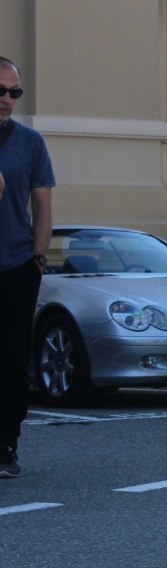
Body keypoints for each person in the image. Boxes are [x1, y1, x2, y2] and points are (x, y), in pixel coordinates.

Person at [0, 56, 55, 478]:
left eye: (14, 92)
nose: (7, 99)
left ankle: (6, 444)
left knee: (13, 359)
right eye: (1, 91)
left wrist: (38, 258)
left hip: (16, 264)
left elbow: (42, 205)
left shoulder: (29, 142)